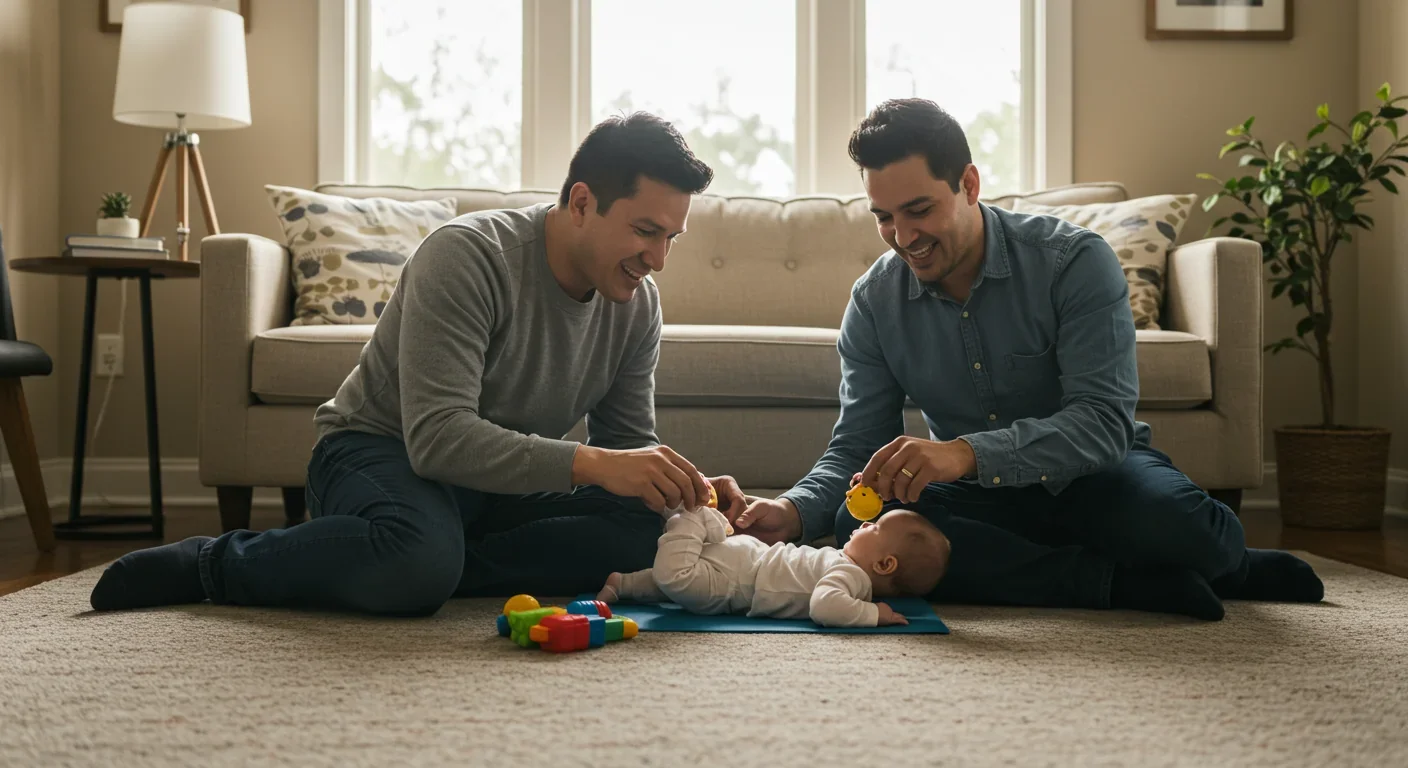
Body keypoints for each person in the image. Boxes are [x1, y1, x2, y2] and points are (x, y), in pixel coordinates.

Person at [90, 112, 750, 616]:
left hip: (495, 487)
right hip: (381, 451)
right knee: (417, 557)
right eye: (645, 231)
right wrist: (594, 465)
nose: (659, 258)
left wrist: (678, 488)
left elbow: (622, 450)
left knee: (647, 533)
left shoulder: (636, 303)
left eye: (671, 237)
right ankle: (216, 564)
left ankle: (424, 560)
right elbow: (437, 438)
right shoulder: (468, 256)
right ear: (581, 203)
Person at [731, 98, 1325, 621]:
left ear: (968, 184)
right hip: (979, 495)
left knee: (1191, 534)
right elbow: (859, 445)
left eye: (918, 210)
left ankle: (1228, 565)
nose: (902, 235)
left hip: (1097, 474)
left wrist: (963, 453)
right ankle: (1116, 582)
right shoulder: (874, 301)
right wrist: (791, 509)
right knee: (850, 522)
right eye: (884, 217)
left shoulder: (1073, 262)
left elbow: (1102, 423)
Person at [598, 503, 950, 627]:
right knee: (678, 578)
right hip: (746, 566)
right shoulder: (845, 564)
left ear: (885, 564)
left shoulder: (853, 578)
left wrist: (875, 614)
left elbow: (825, 606)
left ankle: (627, 581)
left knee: (677, 581)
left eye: (873, 527)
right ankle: (687, 521)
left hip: (741, 577)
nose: (861, 525)